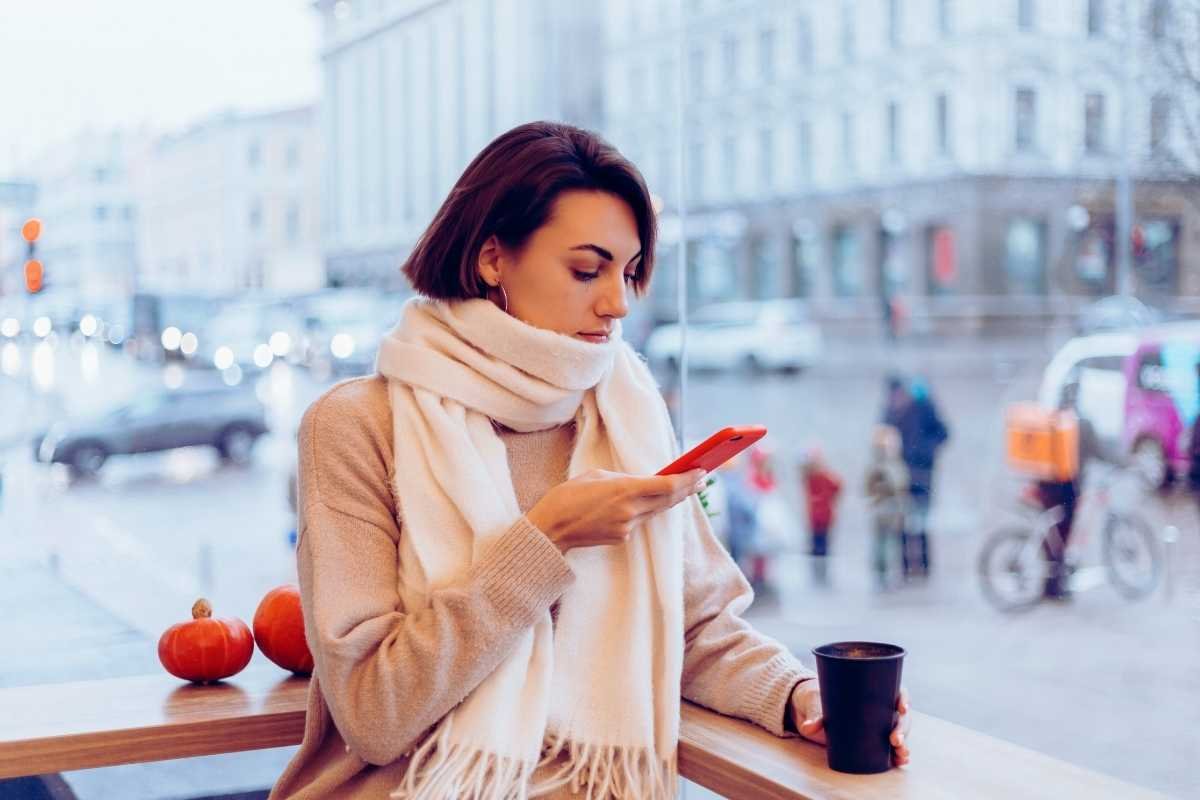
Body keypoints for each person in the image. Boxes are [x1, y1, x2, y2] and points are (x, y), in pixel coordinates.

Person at [269, 122, 910, 800]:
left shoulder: (624, 410)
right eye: (586, 269)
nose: (619, 303)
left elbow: (693, 631)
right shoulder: (356, 425)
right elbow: (374, 712)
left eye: (631, 272)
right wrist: (546, 540)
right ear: (492, 258)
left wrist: (799, 695)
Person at [883, 374, 949, 580]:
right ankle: (905, 568)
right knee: (901, 521)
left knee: (921, 521)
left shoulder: (923, 407)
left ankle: (923, 566)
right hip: (898, 476)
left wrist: (925, 452)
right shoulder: (889, 413)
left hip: (922, 472)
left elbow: (943, 432)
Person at [864, 425, 909, 591]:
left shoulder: (893, 464)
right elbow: (870, 486)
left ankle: (888, 574)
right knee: (881, 545)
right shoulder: (879, 466)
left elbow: (901, 484)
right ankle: (881, 575)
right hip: (882, 509)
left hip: (892, 509)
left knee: (890, 545)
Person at [800, 447, 842, 586]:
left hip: (823, 517)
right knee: (817, 545)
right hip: (816, 517)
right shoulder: (811, 477)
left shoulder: (821, 476)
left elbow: (837, 486)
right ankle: (818, 573)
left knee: (822, 545)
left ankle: (821, 572)